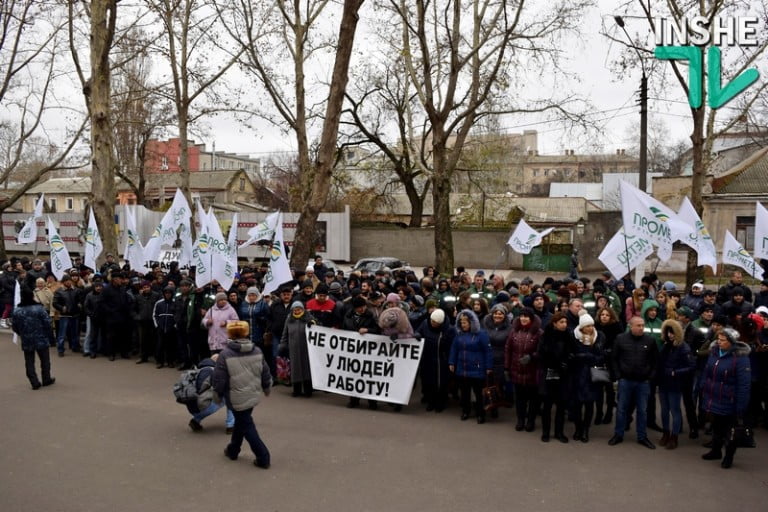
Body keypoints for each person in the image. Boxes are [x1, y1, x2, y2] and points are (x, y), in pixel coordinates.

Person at [214, 320, 273, 469]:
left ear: (230, 334)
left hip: (235, 397)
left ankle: (263, 457)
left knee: (246, 425)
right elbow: (265, 371)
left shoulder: (225, 354)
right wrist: (266, 387)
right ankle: (233, 450)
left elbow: (219, 379)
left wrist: (217, 394)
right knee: (242, 421)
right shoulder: (257, 351)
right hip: (253, 394)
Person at [700, 328, 751, 468]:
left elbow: (744, 385)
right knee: (717, 427)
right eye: (718, 339)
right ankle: (716, 451)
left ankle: (729, 457)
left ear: (732, 342)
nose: (719, 342)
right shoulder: (714, 352)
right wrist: (703, 386)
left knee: (730, 431)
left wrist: (741, 406)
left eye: (723, 340)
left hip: (730, 401)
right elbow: (707, 372)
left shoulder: (740, 358)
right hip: (714, 398)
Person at [609, 316, 659, 449]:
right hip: (625, 380)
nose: (641, 328)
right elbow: (614, 358)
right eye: (638, 325)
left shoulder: (650, 340)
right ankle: (618, 434)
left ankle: (642, 436)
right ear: (631, 326)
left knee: (642, 410)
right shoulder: (621, 339)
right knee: (621, 409)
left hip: (643, 382)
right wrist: (618, 375)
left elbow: (655, 361)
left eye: (643, 325)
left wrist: (650, 376)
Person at [449, 310, 493, 424]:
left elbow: (488, 351)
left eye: (465, 322)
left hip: (477, 369)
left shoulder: (481, 334)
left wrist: (488, 367)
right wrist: (451, 362)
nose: (462, 325)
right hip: (462, 369)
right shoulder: (459, 334)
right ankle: (465, 411)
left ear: (471, 322)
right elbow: (454, 349)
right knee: (464, 393)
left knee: (478, 394)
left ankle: (480, 413)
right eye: (461, 322)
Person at [657, 319, 694, 450]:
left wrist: (675, 372)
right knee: (664, 410)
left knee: (675, 410)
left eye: (672, 332)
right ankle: (666, 433)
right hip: (663, 382)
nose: (670, 335)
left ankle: (674, 436)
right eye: (668, 332)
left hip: (675, 383)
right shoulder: (666, 346)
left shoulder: (684, 347)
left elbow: (691, 367)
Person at [569, 311, 605, 442]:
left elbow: (602, 356)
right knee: (577, 405)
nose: (591, 328)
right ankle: (578, 428)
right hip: (577, 375)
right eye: (588, 326)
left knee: (589, 404)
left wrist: (589, 357)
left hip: (592, 375)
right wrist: (578, 357)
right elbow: (570, 355)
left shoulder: (598, 337)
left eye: (592, 325)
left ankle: (585, 430)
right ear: (582, 327)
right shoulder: (574, 337)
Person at [505, 308, 542, 432]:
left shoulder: (539, 333)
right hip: (517, 369)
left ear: (531, 318)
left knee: (533, 399)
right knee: (520, 398)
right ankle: (520, 420)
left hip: (532, 371)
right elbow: (508, 349)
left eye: (526, 316)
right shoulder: (514, 331)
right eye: (521, 316)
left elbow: (542, 351)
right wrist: (506, 367)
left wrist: (532, 357)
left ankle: (530, 421)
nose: (523, 318)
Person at [12, 287, 56, 390]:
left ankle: (34, 381)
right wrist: (48, 334)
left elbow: (15, 326)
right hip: (41, 337)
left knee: (29, 361)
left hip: (27, 339)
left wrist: (22, 333)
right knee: (45, 360)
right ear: (32, 296)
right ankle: (46, 379)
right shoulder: (39, 309)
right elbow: (47, 323)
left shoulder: (17, 311)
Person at [538, 312, 572, 442]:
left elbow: (572, 352)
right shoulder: (546, 336)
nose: (564, 325)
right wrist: (553, 364)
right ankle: (545, 432)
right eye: (561, 322)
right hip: (550, 372)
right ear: (554, 323)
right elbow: (541, 354)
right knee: (547, 406)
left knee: (561, 406)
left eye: (565, 322)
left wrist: (567, 362)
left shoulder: (568, 336)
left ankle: (559, 432)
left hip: (564, 375)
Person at [416, 308, 455, 412]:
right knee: (428, 381)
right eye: (432, 321)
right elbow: (419, 331)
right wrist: (417, 334)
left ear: (440, 322)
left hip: (441, 359)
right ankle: (431, 401)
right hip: (427, 357)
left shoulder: (449, 329)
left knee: (441, 382)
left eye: (435, 322)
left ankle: (441, 402)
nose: (432, 323)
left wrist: (450, 360)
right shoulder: (425, 323)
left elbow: (452, 346)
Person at [279, 301, 315, 398]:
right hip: (293, 347)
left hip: (306, 348)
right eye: (295, 310)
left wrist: (313, 323)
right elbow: (285, 333)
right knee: (295, 369)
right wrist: (282, 344)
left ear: (302, 309)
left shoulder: (308, 317)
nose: (297, 311)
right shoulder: (289, 319)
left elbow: (316, 326)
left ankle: (308, 391)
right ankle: (296, 390)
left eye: (299, 309)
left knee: (306, 369)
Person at [483, 303, 513, 417]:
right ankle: (488, 405)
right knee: (486, 382)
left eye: (501, 314)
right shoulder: (486, 325)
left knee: (498, 383)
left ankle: (496, 405)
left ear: (504, 316)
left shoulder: (509, 328)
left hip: (501, 358)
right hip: (487, 357)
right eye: (496, 313)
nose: (498, 315)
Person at [187, 355, 226, 432]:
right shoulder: (213, 371)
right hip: (201, 406)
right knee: (228, 397)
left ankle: (196, 421)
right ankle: (231, 425)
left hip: (191, 406)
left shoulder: (198, 369)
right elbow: (220, 389)